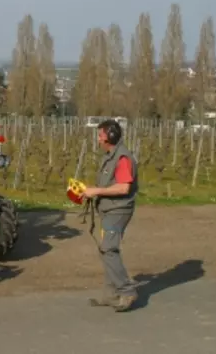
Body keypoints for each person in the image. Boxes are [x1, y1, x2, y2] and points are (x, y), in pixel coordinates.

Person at [81, 118, 139, 312]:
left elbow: (123, 188)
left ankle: (127, 291)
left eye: (100, 135)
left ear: (110, 136)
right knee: (106, 249)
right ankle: (110, 294)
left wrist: (96, 191)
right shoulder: (110, 156)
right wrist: (90, 191)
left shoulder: (122, 158)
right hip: (109, 209)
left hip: (118, 210)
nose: (98, 139)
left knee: (109, 249)